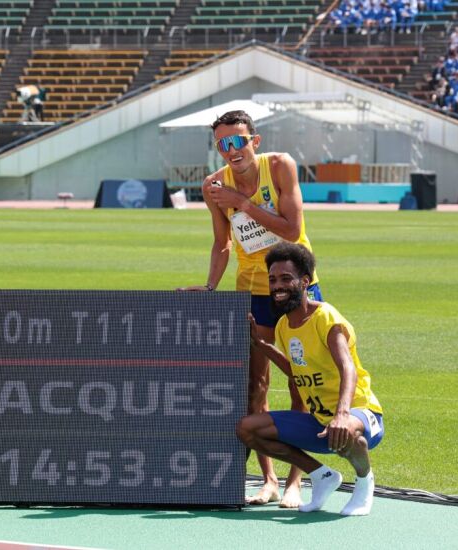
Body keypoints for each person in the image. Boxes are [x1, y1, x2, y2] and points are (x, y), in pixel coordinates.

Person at [178, 109, 322, 507]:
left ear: (253, 142)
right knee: (254, 385)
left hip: (295, 287)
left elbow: (291, 230)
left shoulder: (279, 166)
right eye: (222, 144)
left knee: (301, 379)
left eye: (238, 141)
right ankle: (270, 479)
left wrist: (241, 201)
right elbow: (223, 243)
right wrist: (209, 286)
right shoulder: (213, 187)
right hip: (252, 290)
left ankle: (298, 482)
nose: (231, 150)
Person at [237, 243, 384, 516]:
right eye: (272, 279)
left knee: (351, 434)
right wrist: (261, 345)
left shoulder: (325, 317)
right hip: (320, 424)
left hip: (361, 415)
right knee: (247, 429)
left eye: (285, 279)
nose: (277, 286)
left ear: (304, 282)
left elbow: (347, 368)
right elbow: (297, 371)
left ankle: (364, 482)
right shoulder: (283, 325)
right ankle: (321, 475)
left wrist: (342, 414)